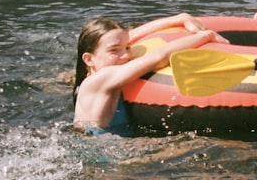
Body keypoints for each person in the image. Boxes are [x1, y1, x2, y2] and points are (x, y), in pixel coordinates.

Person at [72, 13, 227, 136]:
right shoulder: (101, 78)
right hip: (99, 150)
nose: (125, 55)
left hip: (108, 141)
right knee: (193, 146)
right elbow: (158, 57)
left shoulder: (94, 73)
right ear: (89, 59)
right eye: (114, 50)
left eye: (127, 47)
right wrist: (206, 36)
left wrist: (180, 18)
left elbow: (132, 34)